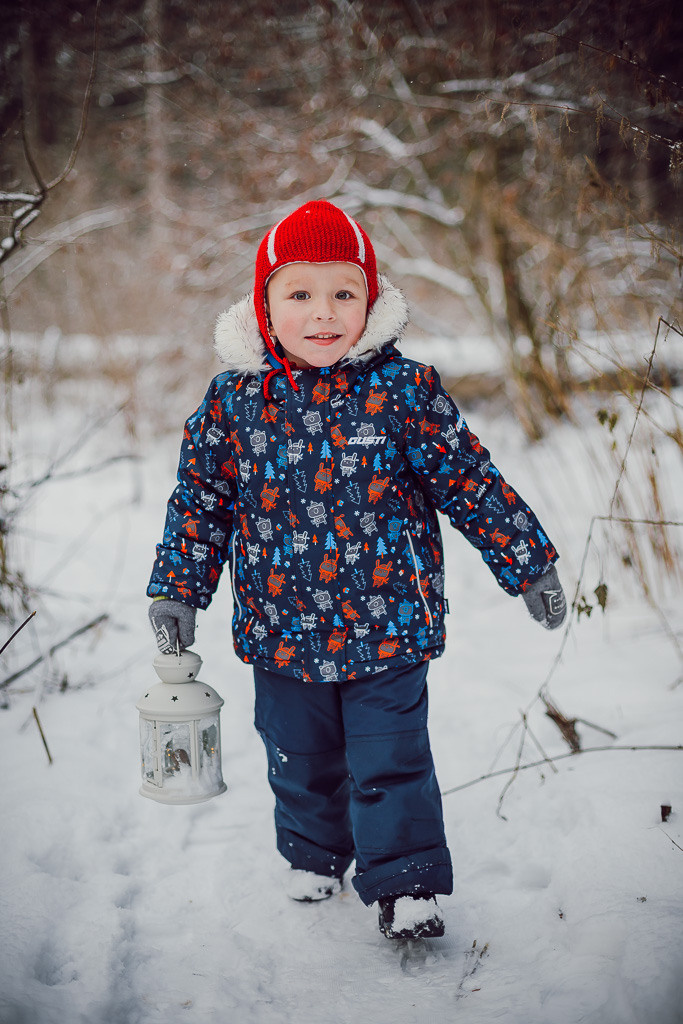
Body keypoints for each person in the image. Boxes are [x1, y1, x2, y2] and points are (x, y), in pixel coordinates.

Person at [147, 200, 566, 942]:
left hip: (387, 627)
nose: (322, 313)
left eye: (343, 292)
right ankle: (313, 855)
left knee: (391, 760)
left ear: (370, 299)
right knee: (299, 759)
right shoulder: (233, 400)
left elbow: (466, 481)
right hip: (278, 631)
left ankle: (406, 886)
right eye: (298, 294)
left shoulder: (401, 390)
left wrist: (526, 561)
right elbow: (201, 502)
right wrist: (179, 587)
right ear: (264, 305)